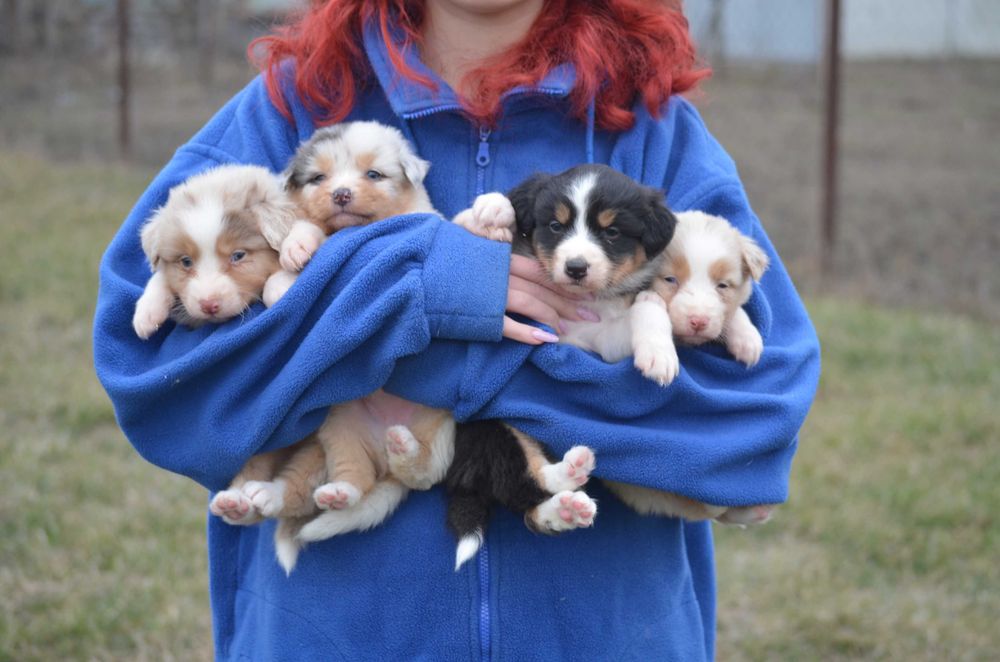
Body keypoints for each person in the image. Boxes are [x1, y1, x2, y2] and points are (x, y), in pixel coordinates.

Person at [93, 1, 821, 659]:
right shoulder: (295, 108)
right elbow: (158, 380)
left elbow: (753, 427)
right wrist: (419, 285)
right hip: (333, 640)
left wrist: (418, 366)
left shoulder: (648, 126)